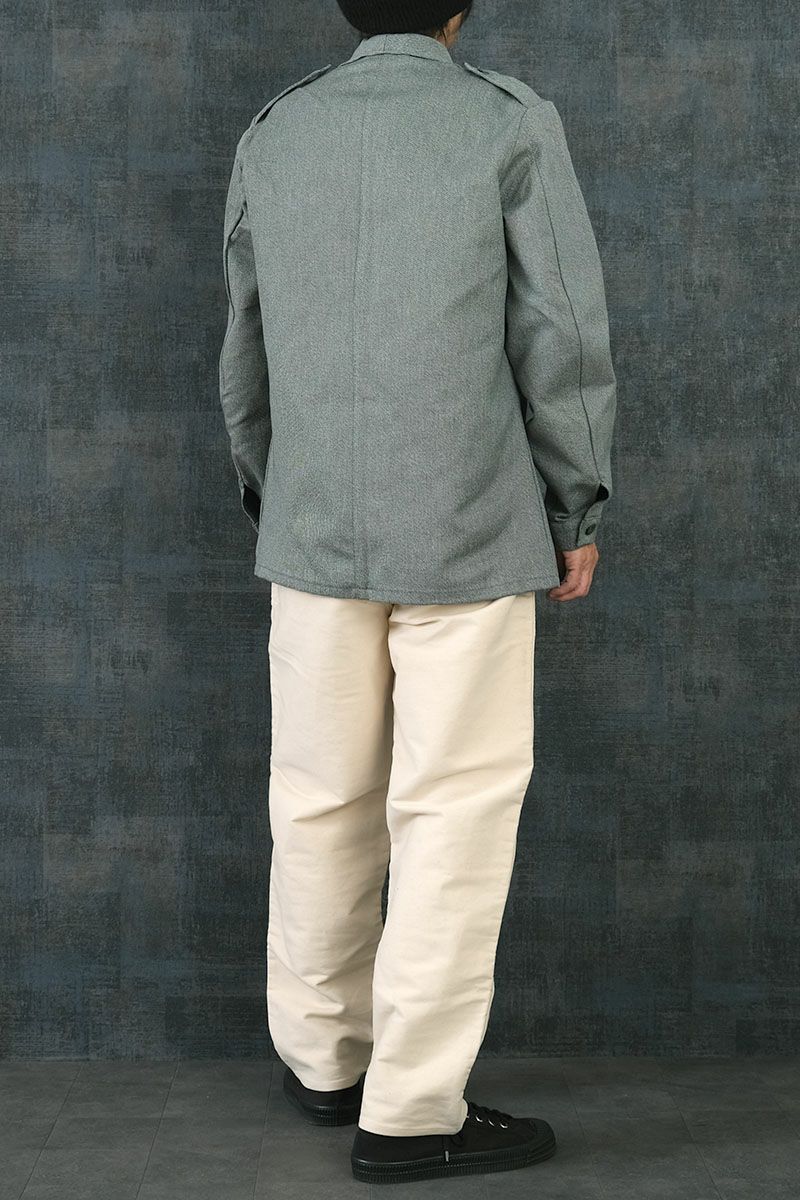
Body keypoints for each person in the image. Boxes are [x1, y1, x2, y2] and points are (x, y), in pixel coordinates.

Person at [218, 0, 617, 1185]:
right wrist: (574, 503)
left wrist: (275, 492)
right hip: (465, 524)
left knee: (317, 799)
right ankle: (410, 1112)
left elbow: (243, 339)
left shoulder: (277, 129)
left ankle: (323, 1059)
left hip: (312, 523)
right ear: (459, 6)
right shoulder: (505, 122)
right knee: (449, 813)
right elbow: (559, 330)